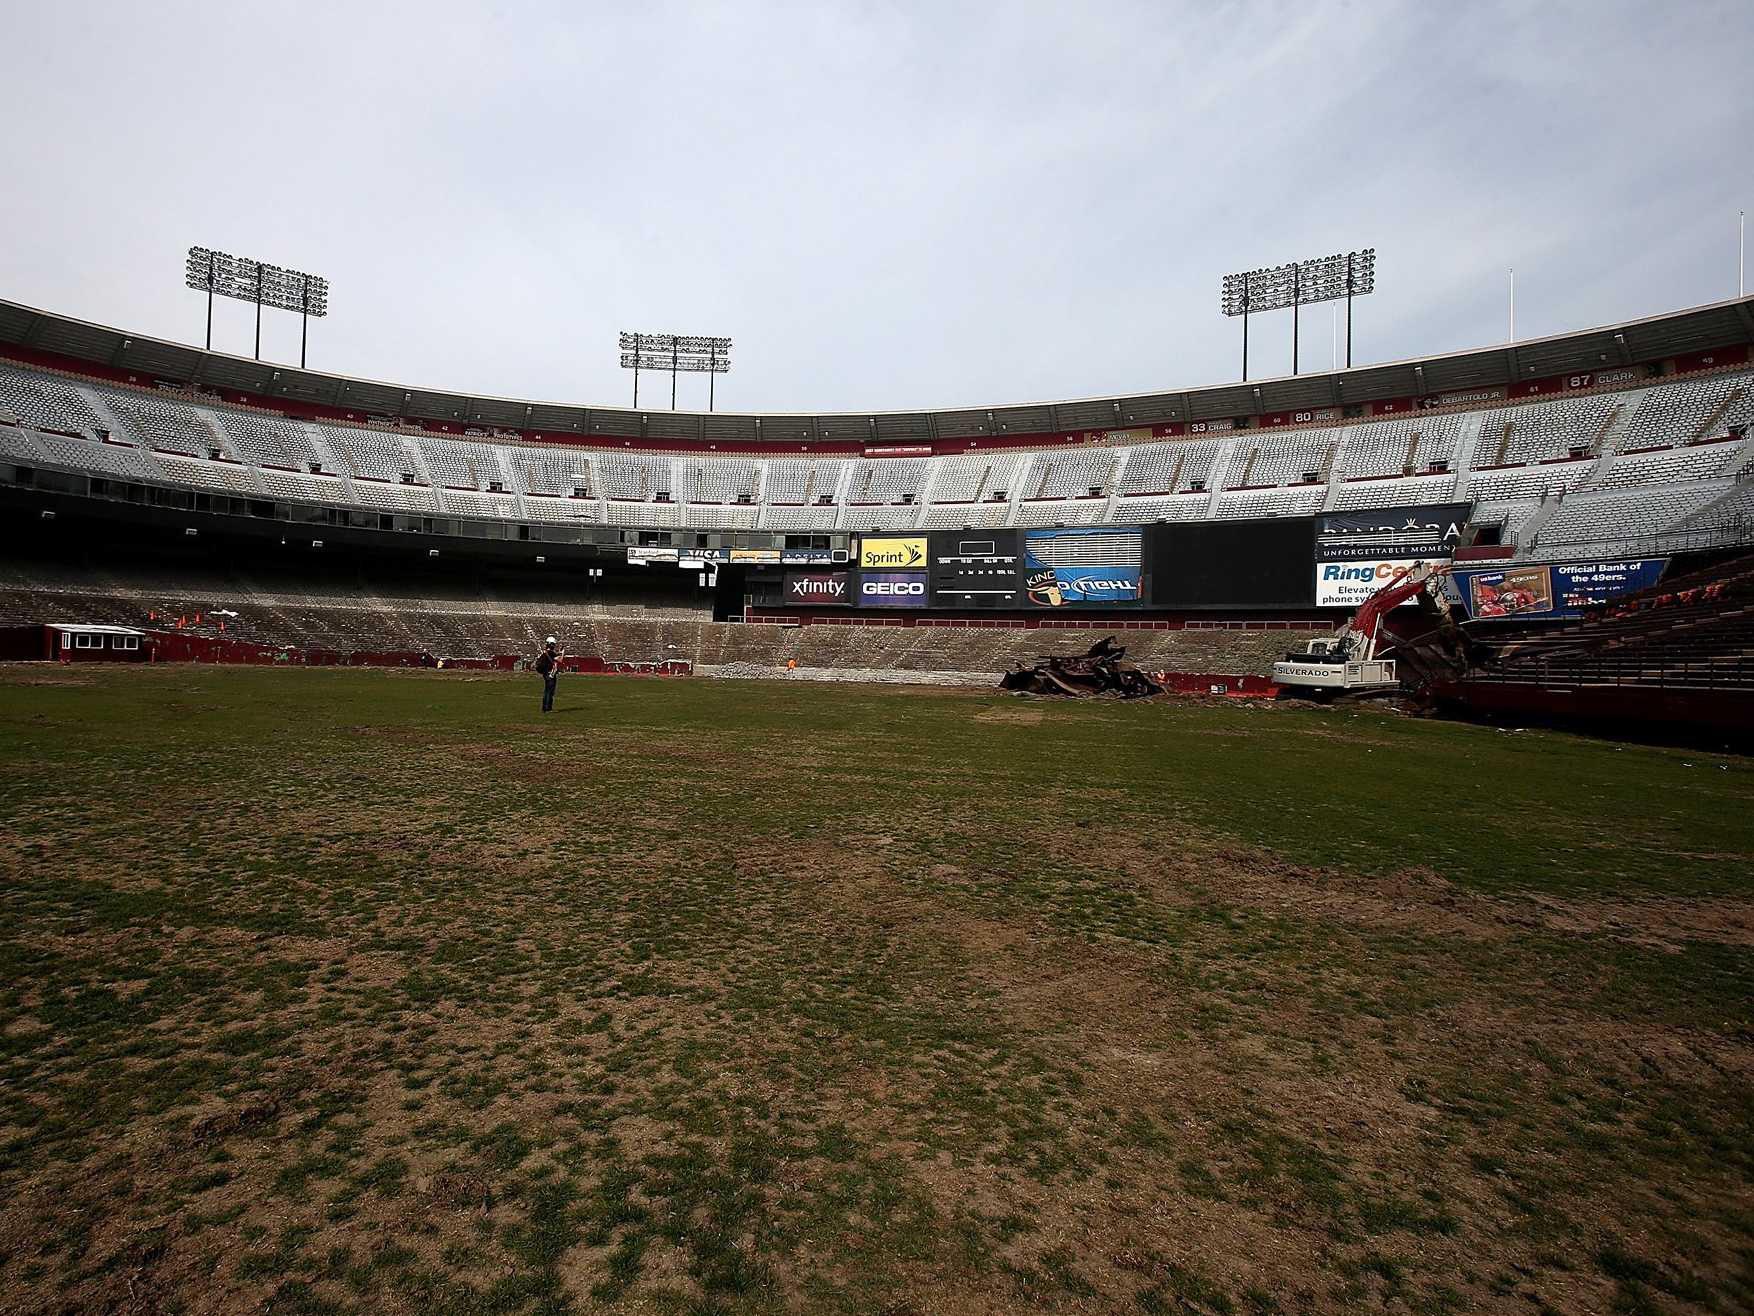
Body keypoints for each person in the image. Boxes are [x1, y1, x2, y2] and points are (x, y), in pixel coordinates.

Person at [535, 636, 564, 712]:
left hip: (545, 673)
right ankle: (548, 708)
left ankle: (544, 708)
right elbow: (560, 660)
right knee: (550, 691)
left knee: (546, 691)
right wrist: (563, 653)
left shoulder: (545, 652)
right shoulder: (551, 653)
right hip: (550, 674)